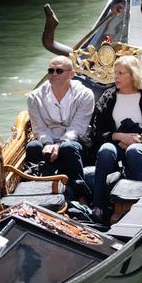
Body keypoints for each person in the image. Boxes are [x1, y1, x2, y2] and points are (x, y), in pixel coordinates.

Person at [89, 56, 142, 223]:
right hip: (116, 145)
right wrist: (117, 136)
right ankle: (98, 205)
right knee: (106, 150)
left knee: (134, 151)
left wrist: (139, 139)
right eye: (115, 73)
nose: (116, 77)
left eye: (121, 73)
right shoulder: (108, 97)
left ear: (133, 75)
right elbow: (97, 132)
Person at [26, 56, 95, 202]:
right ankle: (35, 191)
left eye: (59, 71)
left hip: (76, 142)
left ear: (71, 74)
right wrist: (48, 144)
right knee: (32, 146)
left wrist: (59, 145)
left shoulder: (85, 95)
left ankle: (80, 194)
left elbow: (78, 128)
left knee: (68, 148)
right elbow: (39, 128)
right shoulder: (34, 97)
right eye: (51, 70)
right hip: (47, 141)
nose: (54, 74)